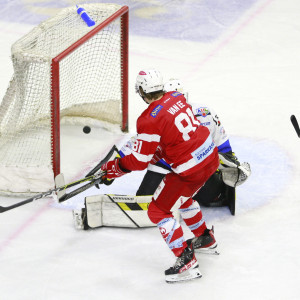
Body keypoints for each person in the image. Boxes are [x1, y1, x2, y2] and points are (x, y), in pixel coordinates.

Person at [98, 69, 220, 283]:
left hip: (189, 170)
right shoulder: (177, 97)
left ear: (142, 91)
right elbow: (172, 138)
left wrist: (114, 168)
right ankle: (205, 239)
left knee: (157, 210)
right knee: (183, 198)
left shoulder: (148, 119)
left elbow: (139, 161)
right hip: (210, 158)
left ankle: (186, 262)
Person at [120, 79, 251, 215]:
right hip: (173, 167)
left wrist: (117, 163)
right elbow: (138, 141)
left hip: (193, 169)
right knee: (144, 199)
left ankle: (200, 192)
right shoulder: (203, 112)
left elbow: (223, 147)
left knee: (206, 196)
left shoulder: (201, 113)